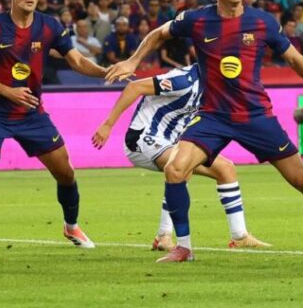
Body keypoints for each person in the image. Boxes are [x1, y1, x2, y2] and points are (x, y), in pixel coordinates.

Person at [105, 0, 303, 263]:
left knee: (301, 180)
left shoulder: (262, 21)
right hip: (213, 116)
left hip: (255, 115)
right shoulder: (197, 19)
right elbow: (159, 34)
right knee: (176, 169)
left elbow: (294, 58)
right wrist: (133, 61)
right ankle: (183, 247)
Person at [0, 0, 109, 253]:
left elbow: (77, 61)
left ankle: (71, 226)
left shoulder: (49, 26)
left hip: (32, 112)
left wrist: (106, 72)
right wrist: (7, 91)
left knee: (66, 173)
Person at [92, 64, 270, 251]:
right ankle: (164, 236)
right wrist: (108, 124)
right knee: (182, 166)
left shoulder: (216, 89)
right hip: (143, 139)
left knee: (226, 169)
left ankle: (240, 236)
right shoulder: (183, 80)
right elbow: (134, 87)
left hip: (173, 142)